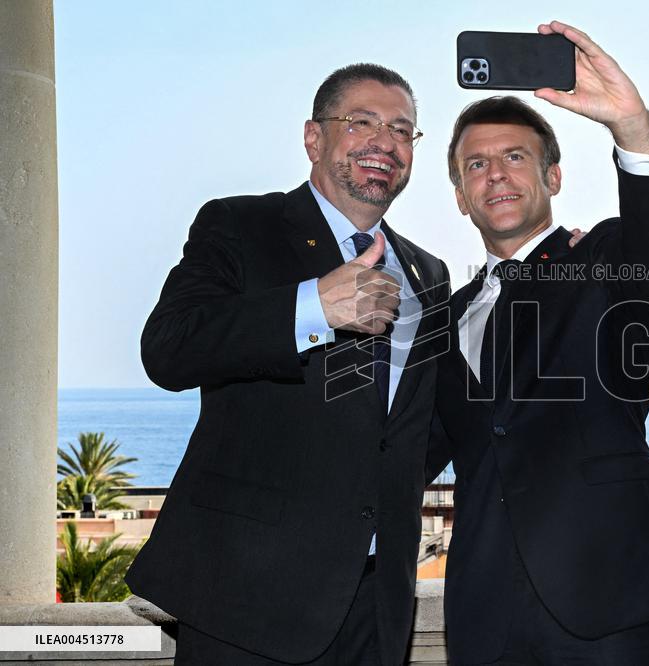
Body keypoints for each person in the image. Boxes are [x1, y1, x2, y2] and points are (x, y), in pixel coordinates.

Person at [125, 64, 451, 665]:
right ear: (313, 138)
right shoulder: (240, 224)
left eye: (403, 130)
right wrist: (314, 306)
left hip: (377, 605)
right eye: (362, 122)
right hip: (246, 598)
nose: (385, 142)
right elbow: (168, 349)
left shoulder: (428, 273)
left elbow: (416, 428)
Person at [426, 21, 649, 665]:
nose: (495, 175)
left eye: (515, 157)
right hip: (484, 619)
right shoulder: (442, 319)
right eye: (476, 165)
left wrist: (631, 125)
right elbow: (411, 451)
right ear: (460, 197)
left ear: (553, 177)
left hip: (609, 606)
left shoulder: (605, 263)